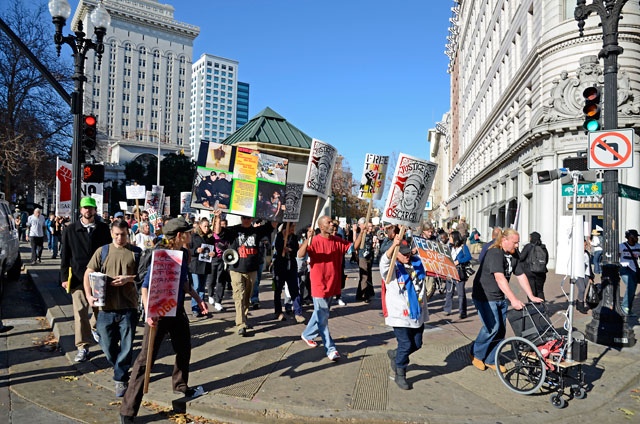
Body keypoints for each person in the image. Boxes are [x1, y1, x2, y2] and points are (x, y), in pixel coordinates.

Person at [119, 217, 208, 423]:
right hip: (158, 313)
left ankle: (180, 386)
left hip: (176, 311)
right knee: (145, 360)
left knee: (184, 348)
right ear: (179, 236)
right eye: (188, 232)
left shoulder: (184, 253)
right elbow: (145, 286)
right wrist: (148, 313)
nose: (190, 235)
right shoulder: (161, 255)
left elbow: (184, 283)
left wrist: (198, 298)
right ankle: (128, 410)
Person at [470, 228, 543, 372]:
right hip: (485, 296)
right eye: (514, 243)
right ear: (504, 240)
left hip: (499, 296)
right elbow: (500, 278)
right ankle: (476, 354)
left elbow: (521, 275)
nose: (517, 246)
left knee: (501, 330)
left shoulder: (513, 254)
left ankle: (491, 359)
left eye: (518, 243)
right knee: (492, 327)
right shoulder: (494, 253)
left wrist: (531, 296)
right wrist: (514, 300)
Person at [83, 219, 141, 397]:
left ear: (127, 233)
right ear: (111, 233)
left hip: (128, 307)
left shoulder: (136, 252)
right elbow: (88, 273)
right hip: (105, 308)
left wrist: (128, 279)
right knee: (107, 345)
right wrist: (89, 295)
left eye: (123, 234)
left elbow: (143, 276)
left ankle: (120, 378)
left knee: (126, 345)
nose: (120, 238)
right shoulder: (103, 251)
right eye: (116, 234)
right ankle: (120, 367)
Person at [298, 217, 363, 361]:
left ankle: (307, 334)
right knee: (323, 318)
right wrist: (306, 240)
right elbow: (300, 255)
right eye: (328, 222)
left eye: (331, 222)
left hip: (332, 284)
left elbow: (353, 248)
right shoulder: (314, 240)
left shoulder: (337, 240)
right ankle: (331, 349)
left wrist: (361, 232)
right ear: (321, 227)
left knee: (321, 313)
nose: (332, 224)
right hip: (319, 285)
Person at [60, 197, 113, 362]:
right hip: (77, 278)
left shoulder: (104, 229)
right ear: (80, 210)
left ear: (95, 210)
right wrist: (63, 277)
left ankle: (92, 329)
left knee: (101, 312)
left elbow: (109, 253)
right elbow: (65, 256)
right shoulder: (70, 230)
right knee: (80, 312)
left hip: (98, 278)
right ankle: (82, 346)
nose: (87, 211)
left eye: (90, 208)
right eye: (85, 208)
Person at [380, 237, 429, 390]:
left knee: (417, 344)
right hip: (399, 314)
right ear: (396, 253)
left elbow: (431, 261)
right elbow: (385, 261)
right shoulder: (391, 268)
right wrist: (393, 245)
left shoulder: (417, 263)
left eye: (408, 253)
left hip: (417, 312)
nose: (407, 256)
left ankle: (396, 354)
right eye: (403, 254)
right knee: (406, 344)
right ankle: (400, 373)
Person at [216, 214, 276, 336]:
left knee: (247, 298)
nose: (246, 220)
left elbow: (272, 225)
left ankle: (244, 317)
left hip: (252, 270)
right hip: (236, 269)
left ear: (252, 219)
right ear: (240, 218)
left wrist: (276, 210)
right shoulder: (233, 230)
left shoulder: (256, 231)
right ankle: (241, 324)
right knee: (239, 296)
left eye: (248, 218)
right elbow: (218, 232)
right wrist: (217, 218)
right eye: (244, 217)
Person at [273, 223, 305, 323]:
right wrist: (283, 242)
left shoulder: (294, 237)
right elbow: (277, 248)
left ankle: (298, 313)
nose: (293, 229)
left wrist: (289, 250)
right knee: (277, 290)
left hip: (291, 267)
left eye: (294, 227)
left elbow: (296, 250)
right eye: (291, 227)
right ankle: (278, 312)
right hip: (280, 267)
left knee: (294, 290)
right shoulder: (278, 236)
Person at [189, 217, 214, 318]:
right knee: (196, 286)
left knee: (202, 288)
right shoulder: (194, 236)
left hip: (206, 266)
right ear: (200, 226)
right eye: (205, 226)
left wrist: (213, 253)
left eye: (208, 226)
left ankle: (201, 307)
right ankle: (195, 308)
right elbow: (189, 250)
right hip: (196, 265)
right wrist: (196, 251)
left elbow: (213, 250)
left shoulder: (210, 237)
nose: (207, 228)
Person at [444, 231, 472, 319]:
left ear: (455, 238)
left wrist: (459, 261)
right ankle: (447, 309)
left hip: (459, 273)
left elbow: (468, 257)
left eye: (451, 237)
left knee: (461, 294)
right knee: (449, 292)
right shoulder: (450, 247)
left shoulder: (463, 247)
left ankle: (462, 312)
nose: (450, 239)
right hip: (450, 272)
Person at [207, 212, 228, 311]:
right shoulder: (210, 235)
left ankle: (218, 301)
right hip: (213, 259)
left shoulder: (227, 234)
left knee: (221, 281)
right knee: (211, 279)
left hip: (223, 260)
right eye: (220, 225)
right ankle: (210, 294)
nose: (222, 227)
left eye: (224, 225)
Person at [519, 232, 549, 300]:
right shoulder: (543, 247)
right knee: (540, 291)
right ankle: (542, 308)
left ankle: (533, 308)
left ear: (532, 238)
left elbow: (521, 257)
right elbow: (546, 260)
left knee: (531, 292)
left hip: (530, 272)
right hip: (541, 272)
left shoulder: (528, 246)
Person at [620, 229, 640, 315]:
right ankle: (624, 307)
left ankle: (629, 309)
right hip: (624, 269)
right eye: (635, 237)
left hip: (634, 269)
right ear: (630, 237)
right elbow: (616, 256)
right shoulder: (621, 246)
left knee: (632, 290)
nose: (637, 238)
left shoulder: (638, 246)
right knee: (630, 285)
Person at [355, 219, 375, 303]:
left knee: (367, 275)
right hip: (362, 257)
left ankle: (359, 294)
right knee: (364, 276)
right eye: (369, 226)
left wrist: (373, 244)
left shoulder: (370, 235)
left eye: (371, 226)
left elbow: (370, 246)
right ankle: (365, 295)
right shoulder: (361, 234)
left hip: (369, 256)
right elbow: (356, 246)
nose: (371, 228)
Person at [576, 239, 594, 314]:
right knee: (582, 289)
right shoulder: (576, 254)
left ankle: (578, 302)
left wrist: (591, 276)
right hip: (578, 274)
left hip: (586, 274)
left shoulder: (587, 254)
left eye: (586, 245)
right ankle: (581, 306)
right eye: (584, 245)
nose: (585, 247)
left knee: (583, 290)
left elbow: (589, 266)